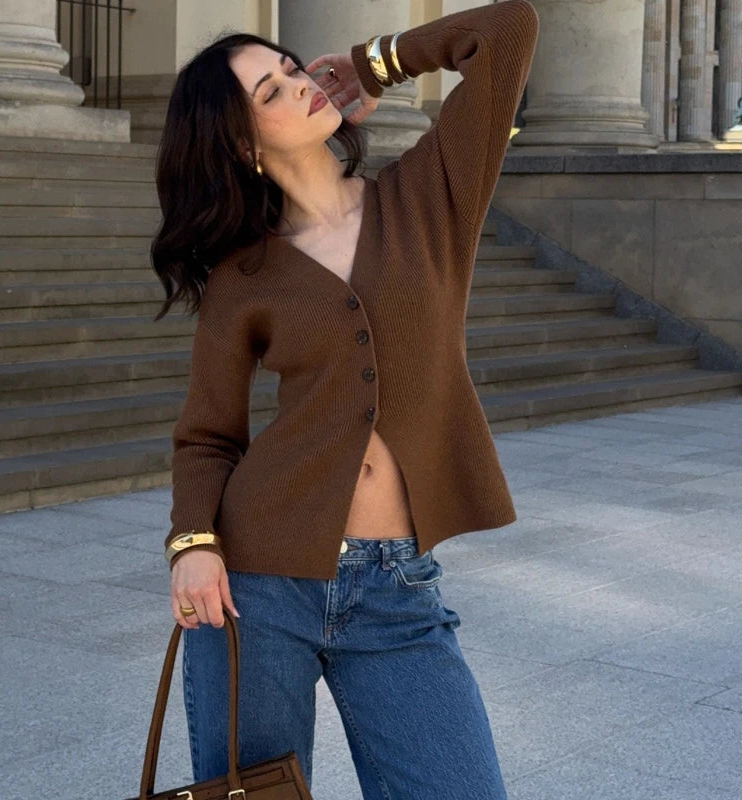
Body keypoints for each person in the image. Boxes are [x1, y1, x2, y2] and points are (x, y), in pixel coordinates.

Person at [150, 2, 539, 797]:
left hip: (398, 589)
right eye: (272, 91)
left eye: (291, 68)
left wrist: (374, 64)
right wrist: (193, 544)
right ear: (242, 145)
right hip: (258, 586)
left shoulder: (428, 195)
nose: (300, 84)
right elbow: (208, 436)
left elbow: (508, 32)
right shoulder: (243, 276)